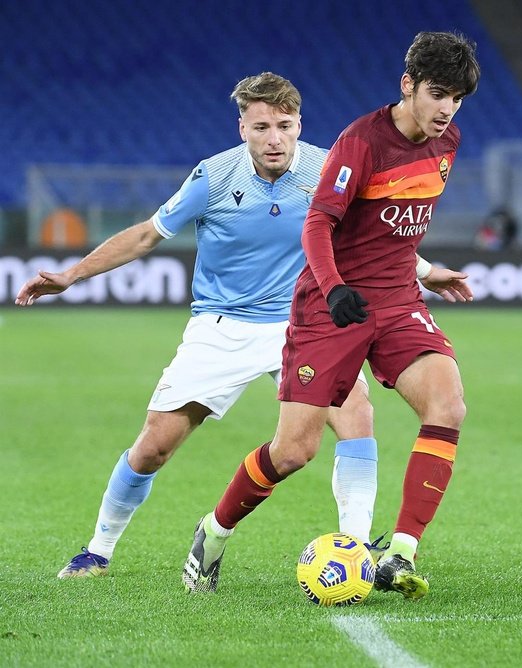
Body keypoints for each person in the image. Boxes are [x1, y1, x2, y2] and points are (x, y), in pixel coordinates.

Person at [15, 72, 470, 579]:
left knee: (356, 418)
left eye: (284, 125)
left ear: (300, 126)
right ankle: (98, 549)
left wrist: (427, 272)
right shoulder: (213, 177)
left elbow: (372, 240)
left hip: (308, 320)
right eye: (260, 127)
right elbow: (147, 235)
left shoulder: (328, 166)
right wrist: (72, 275)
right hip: (222, 326)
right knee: (154, 446)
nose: (273, 138)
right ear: (241, 128)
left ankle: (356, 547)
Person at [182, 31, 480, 601]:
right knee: (294, 450)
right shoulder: (362, 142)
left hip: (396, 303)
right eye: (438, 93)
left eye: (458, 98)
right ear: (408, 85)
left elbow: (394, 225)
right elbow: (317, 224)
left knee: (448, 405)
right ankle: (213, 534)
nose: (447, 109)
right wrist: (335, 287)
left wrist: (425, 270)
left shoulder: (449, 141)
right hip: (331, 306)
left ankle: (399, 553)